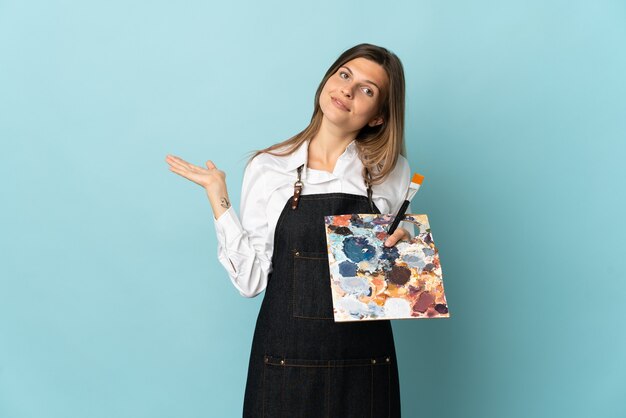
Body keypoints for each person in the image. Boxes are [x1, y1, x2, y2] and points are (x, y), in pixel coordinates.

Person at [166, 43, 414, 417]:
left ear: (378, 117)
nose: (347, 89)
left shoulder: (392, 173)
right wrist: (218, 196)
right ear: (328, 80)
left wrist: (406, 242)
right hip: (284, 362)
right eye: (344, 75)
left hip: (365, 366)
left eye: (367, 89)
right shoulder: (269, 168)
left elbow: (385, 279)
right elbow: (249, 282)